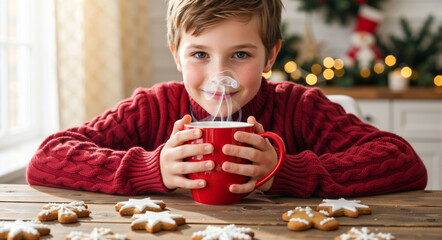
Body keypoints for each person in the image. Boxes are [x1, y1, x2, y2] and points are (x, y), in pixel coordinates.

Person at [27, 0, 427, 198]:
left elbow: (402, 161)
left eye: (240, 54)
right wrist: (151, 169)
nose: (220, 76)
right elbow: (48, 157)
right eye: (200, 54)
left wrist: (286, 172)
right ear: (176, 56)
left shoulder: (300, 108)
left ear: (270, 55)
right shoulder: (154, 108)